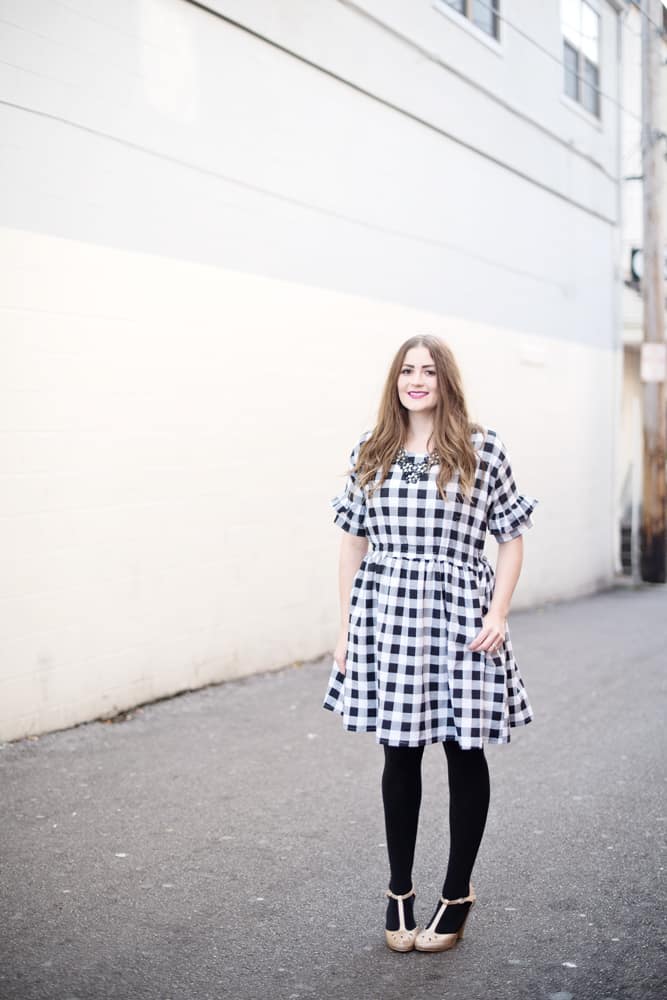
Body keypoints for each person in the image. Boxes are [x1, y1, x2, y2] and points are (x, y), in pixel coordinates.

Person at [322, 334, 539, 954]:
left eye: (429, 371)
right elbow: (351, 542)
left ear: (446, 380)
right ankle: (398, 894)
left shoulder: (480, 446)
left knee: (463, 751)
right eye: (407, 370)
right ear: (396, 380)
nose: (417, 380)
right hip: (388, 612)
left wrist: (499, 609)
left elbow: (512, 534)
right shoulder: (373, 450)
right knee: (399, 754)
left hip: (461, 612)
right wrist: (345, 629)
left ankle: (457, 893)